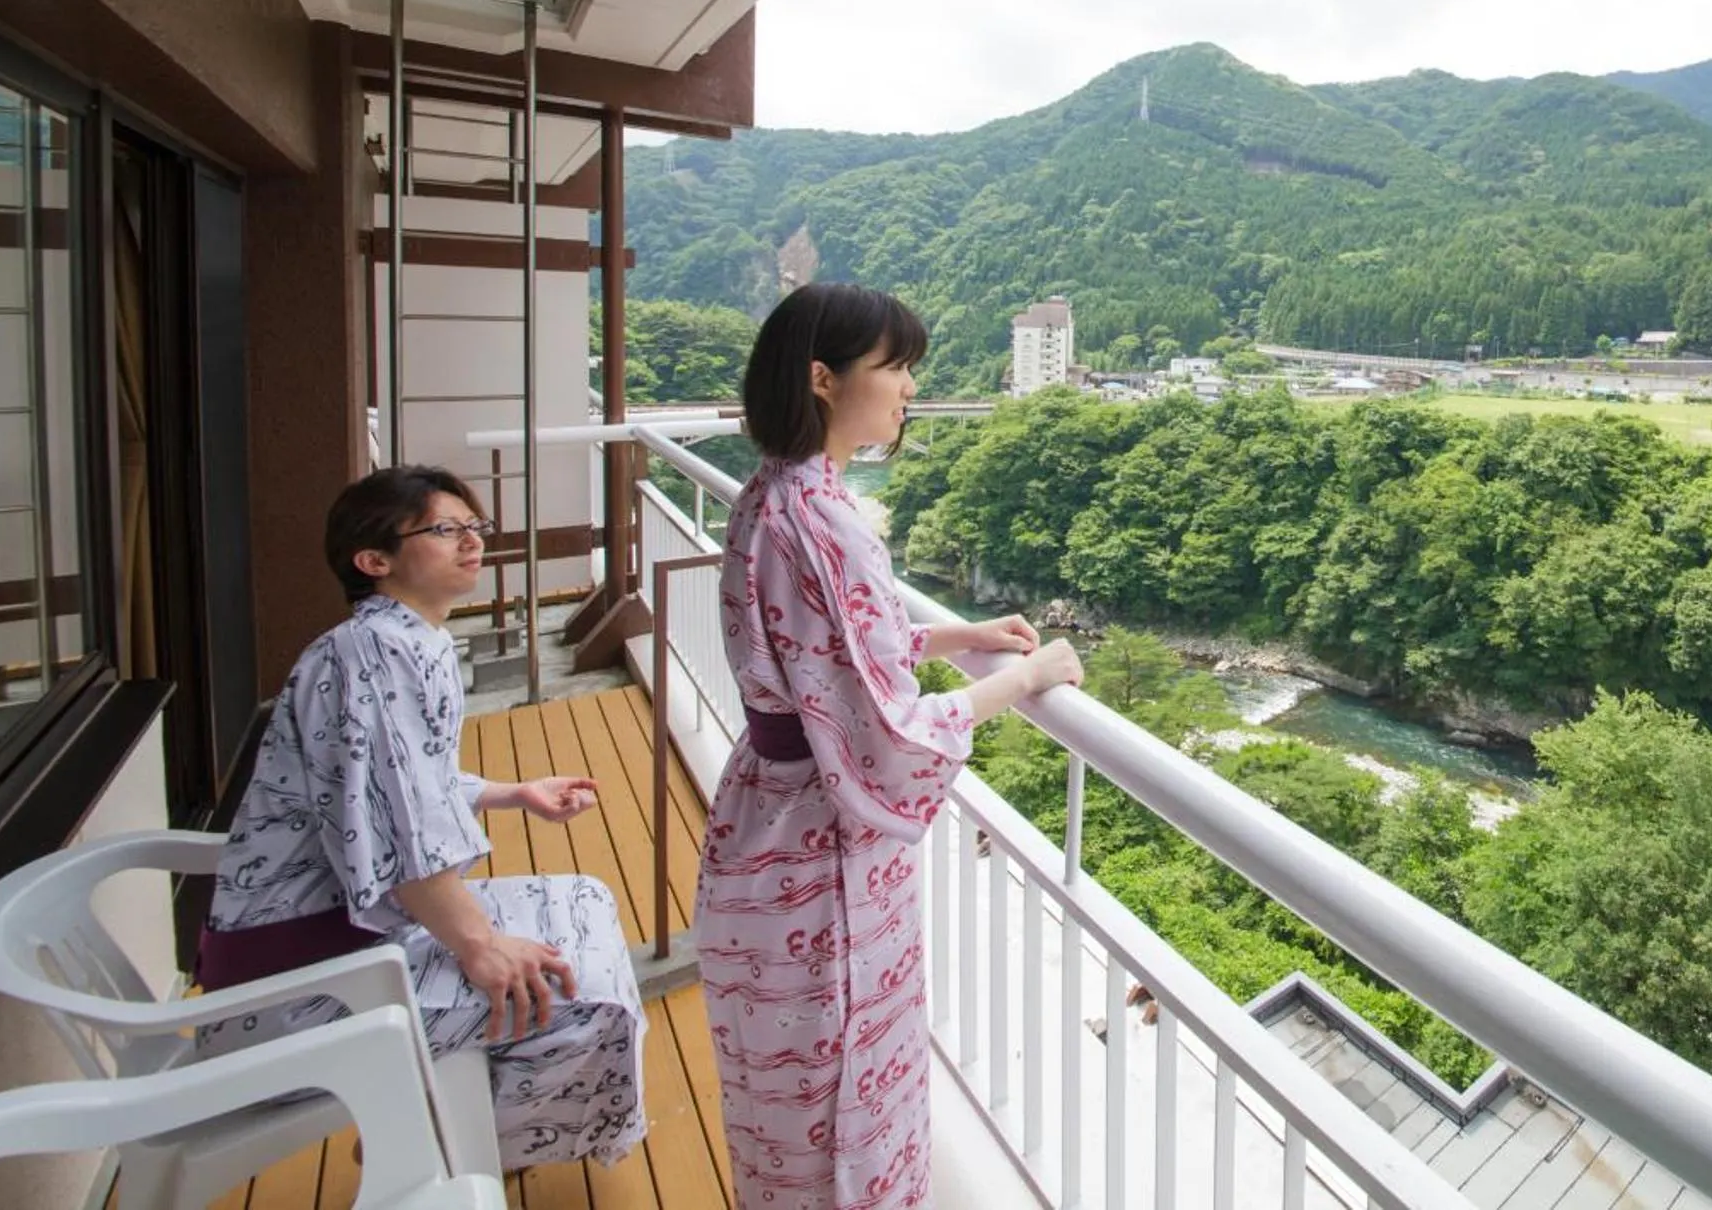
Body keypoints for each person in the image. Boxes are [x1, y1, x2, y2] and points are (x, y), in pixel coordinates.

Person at [697, 283, 1082, 1209]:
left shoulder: (772, 493)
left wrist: (951, 637)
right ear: (824, 379)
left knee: (781, 1109)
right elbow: (888, 730)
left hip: (761, 827)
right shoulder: (825, 518)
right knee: (840, 1108)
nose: (909, 388)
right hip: (818, 862)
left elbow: (821, 661)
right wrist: (1027, 678)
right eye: (896, 367)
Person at [197, 466, 646, 1169]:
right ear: (373, 562)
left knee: (586, 899)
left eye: (474, 526)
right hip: (298, 980)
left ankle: (448, 1133)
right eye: (445, 529)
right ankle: (430, 1156)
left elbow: (400, 783)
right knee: (587, 1002)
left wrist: (511, 792)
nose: (471, 541)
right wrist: (479, 947)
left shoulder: (406, 640)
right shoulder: (369, 656)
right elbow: (394, 830)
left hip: (342, 931)